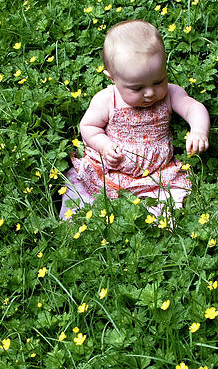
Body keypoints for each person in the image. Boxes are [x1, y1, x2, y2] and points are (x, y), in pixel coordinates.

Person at [59, 20, 210, 221]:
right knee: (81, 189)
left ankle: (155, 224)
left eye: (158, 81)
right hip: (111, 168)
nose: (150, 93)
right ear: (112, 78)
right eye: (137, 88)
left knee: (169, 200)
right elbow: (88, 126)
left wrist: (199, 130)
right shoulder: (107, 100)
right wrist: (104, 146)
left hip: (156, 172)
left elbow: (193, 108)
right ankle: (77, 222)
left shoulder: (171, 94)